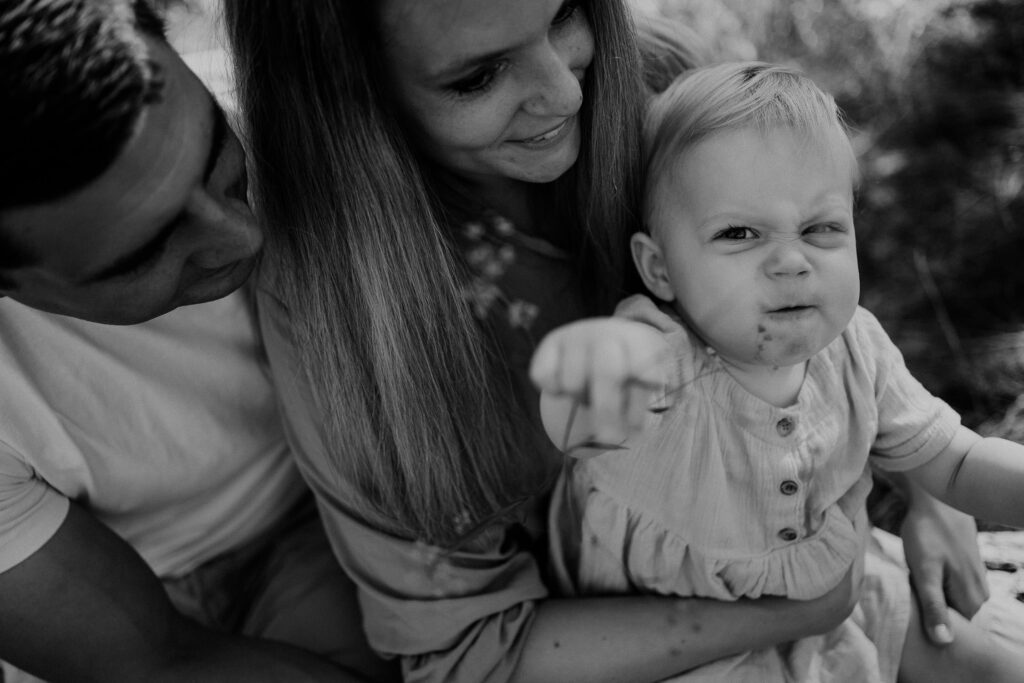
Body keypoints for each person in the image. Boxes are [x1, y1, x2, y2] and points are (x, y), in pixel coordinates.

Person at [225, 2, 1002, 681]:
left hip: (809, 554)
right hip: (646, 638)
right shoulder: (343, 312)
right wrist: (786, 612)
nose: (567, 90)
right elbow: (470, 653)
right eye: (476, 77)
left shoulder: (655, 82)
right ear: (350, 96)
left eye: (565, 13)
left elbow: (808, 302)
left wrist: (933, 490)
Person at [532, 61, 1024, 682]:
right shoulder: (658, 357)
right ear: (659, 270)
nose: (791, 261)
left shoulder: (855, 347)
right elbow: (573, 425)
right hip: (684, 639)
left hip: (839, 593)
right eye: (739, 233)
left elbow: (954, 462)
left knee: (998, 669)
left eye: (821, 229)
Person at [0, 1, 397, 681]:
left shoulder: (291, 107)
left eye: (218, 157)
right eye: (147, 251)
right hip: (139, 598)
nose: (241, 236)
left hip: (339, 505)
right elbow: (154, 659)